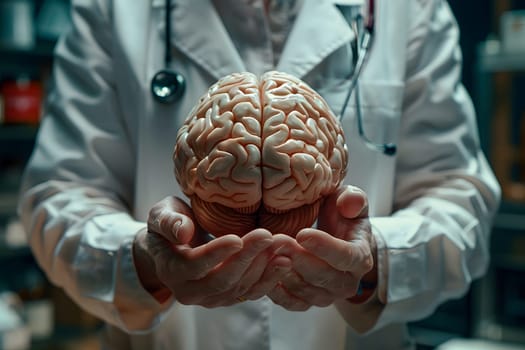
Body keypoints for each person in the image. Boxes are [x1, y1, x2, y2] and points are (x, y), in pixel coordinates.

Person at [18, 0, 501, 349]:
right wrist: (142, 262)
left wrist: (374, 259)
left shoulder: (407, 10)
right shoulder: (111, 10)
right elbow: (57, 194)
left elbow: (462, 199)